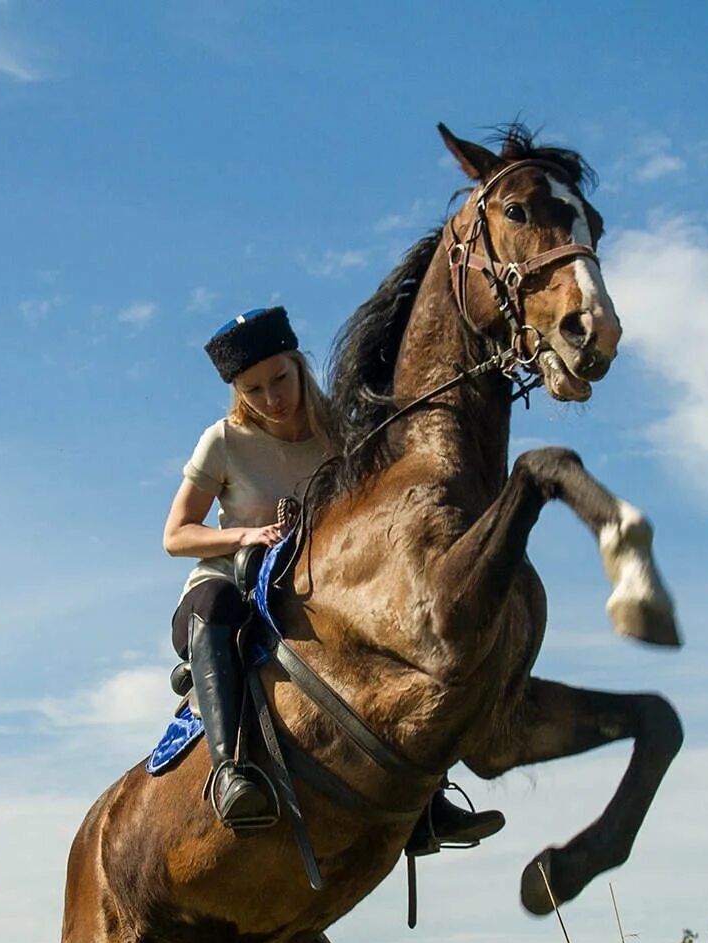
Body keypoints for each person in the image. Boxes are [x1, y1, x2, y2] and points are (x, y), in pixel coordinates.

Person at [164, 305, 504, 851]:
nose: (272, 398)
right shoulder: (223, 441)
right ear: (238, 392)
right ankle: (230, 772)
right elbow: (176, 535)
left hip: (310, 589)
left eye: (280, 379)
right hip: (229, 585)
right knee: (216, 608)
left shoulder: (340, 439)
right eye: (254, 389)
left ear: (299, 366)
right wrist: (247, 537)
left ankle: (425, 805)